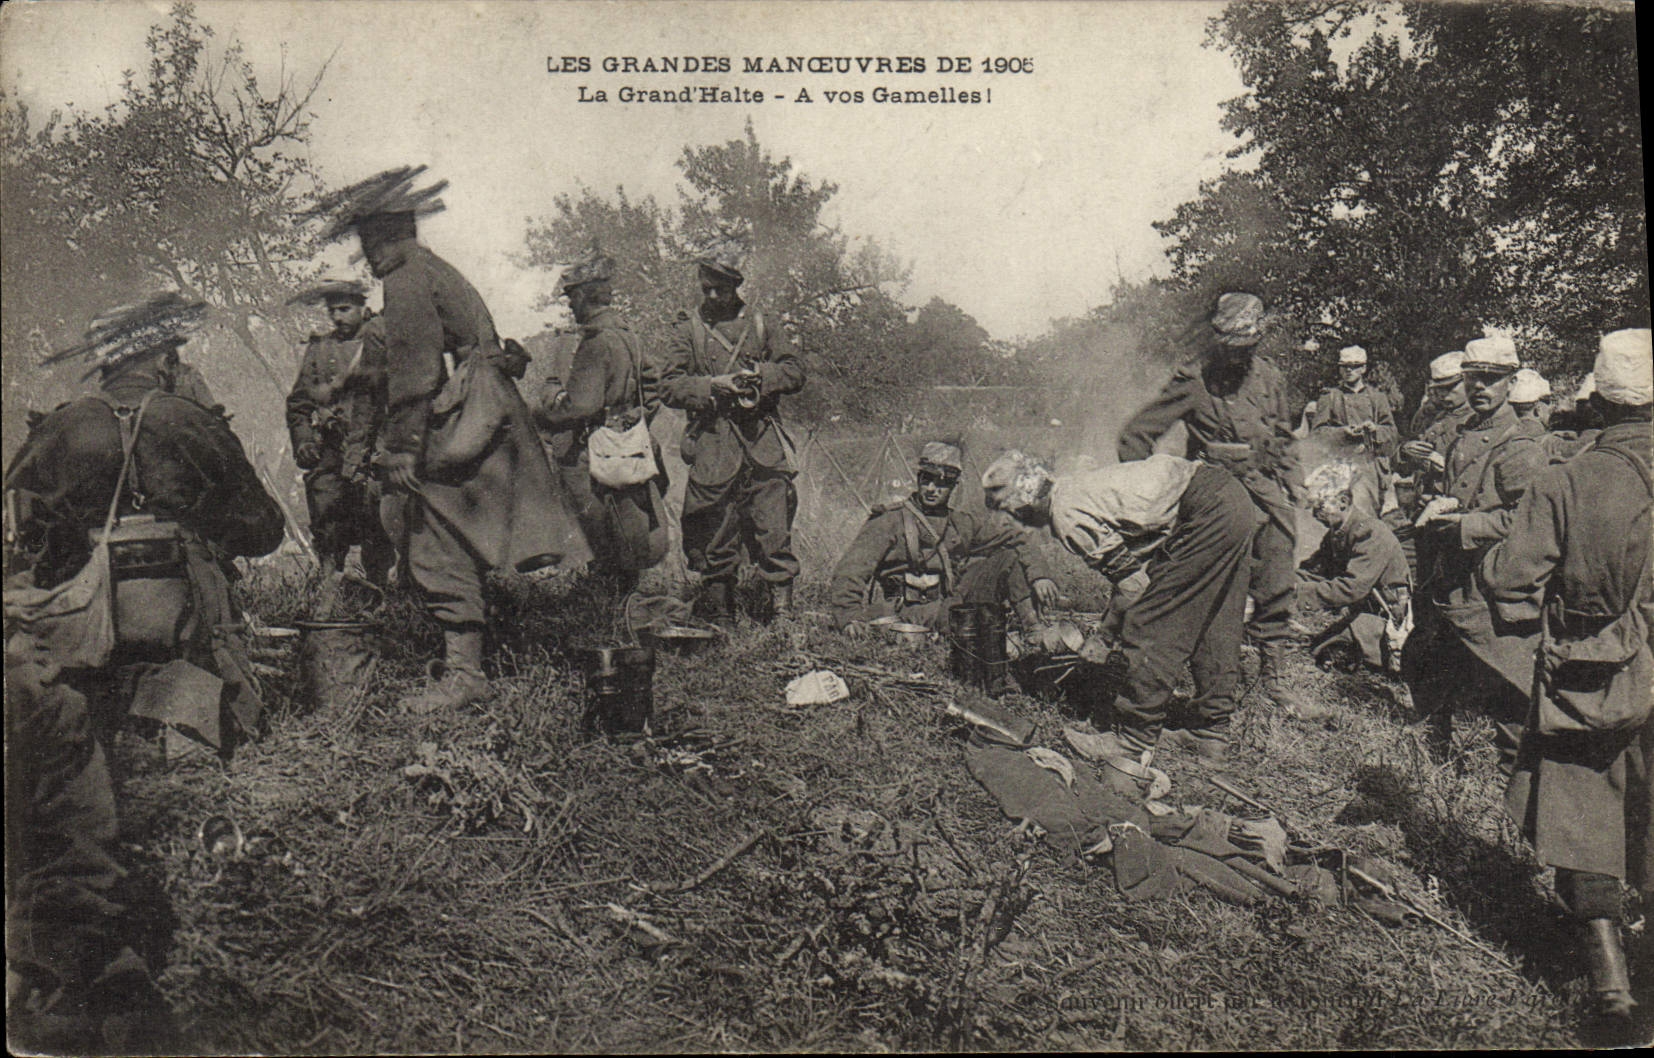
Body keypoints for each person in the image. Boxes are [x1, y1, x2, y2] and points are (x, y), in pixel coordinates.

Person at [5, 293, 285, 1051]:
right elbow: (262, 530)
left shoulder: (65, 424)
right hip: (180, 624)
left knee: (79, 770)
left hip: (88, 626)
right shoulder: (185, 421)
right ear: (160, 357)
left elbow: (26, 521)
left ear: (105, 361)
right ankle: (207, 859)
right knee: (196, 733)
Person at [308, 166, 590, 714]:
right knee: (452, 530)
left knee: (429, 531)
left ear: (386, 234)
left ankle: (465, 674)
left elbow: (415, 371)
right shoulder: (433, 269)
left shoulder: (406, 278)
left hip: (463, 418)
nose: (365, 255)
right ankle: (474, 653)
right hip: (482, 409)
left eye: (368, 240)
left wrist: (403, 450)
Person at [1482, 328, 1652, 1022]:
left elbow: (1511, 581)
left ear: (1600, 404)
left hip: (1595, 671)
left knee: (1584, 807)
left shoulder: (1566, 478)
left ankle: (1609, 977)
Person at [983, 449, 1260, 763]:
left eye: (1008, 509)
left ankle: (1133, 738)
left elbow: (1134, 590)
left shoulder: (1066, 515)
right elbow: (1137, 573)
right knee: (1214, 619)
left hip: (1206, 510)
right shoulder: (1075, 488)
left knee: (1150, 621)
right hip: (1231, 498)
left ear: (1024, 500)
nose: (1016, 520)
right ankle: (1211, 732)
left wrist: (1103, 637)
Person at [1117, 291, 1307, 717]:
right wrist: (1152, 493)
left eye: (1249, 346)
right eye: (1232, 348)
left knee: (1277, 576)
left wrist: (1295, 482)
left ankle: (1271, 679)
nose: (1240, 356)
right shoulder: (1192, 379)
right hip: (1216, 496)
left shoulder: (1270, 377)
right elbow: (1136, 435)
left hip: (1265, 490)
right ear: (1217, 341)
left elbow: (1280, 435)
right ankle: (1211, 688)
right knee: (1222, 595)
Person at [1406, 334, 1548, 773]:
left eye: (1491, 379)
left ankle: (1511, 788)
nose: (1480, 388)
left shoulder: (1520, 443)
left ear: (1511, 382)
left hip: (1492, 584)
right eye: (1473, 379)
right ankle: (1438, 756)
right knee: (1424, 659)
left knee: (1506, 683)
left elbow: (1529, 521)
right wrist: (1448, 503)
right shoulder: (1466, 431)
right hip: (1451, 575)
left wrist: (1467, 523)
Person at [656, 238, 806, 622]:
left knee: (774, 530)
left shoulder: (762, 323)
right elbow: (668, 385)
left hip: (762, 445)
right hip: (713, 444)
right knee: (714, 534)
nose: (711, 294)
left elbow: (794, 370)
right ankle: (720, 617)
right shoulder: (688, 328)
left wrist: (762, 376)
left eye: (720, 287)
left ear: (736, 284)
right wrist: (713, 386)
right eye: (705, 286)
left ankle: (784, 620)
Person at [534, 249, 665, 595]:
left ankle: (606, 603)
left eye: (572, 297)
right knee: (626, 522)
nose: (570, 306)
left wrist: (543, 411)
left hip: (593, 452)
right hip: (624, 445)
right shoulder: (627, 335)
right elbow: (654, 385)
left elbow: (582, 405)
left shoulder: (595, 343)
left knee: (600, 531)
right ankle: (620, 594)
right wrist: (636, 418)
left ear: (584, 296)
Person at [828, 441, 1060, 636]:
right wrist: (849, 618)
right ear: (918, 479)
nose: (932, 489)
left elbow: (1017, 538)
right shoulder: (890, 521)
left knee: (1008, 557)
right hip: (905, 611)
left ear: (953, 487)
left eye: (942, 483)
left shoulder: (960, 522)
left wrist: (1040, 576)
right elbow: (851, 571)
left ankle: (1034, 631)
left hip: (949, 602)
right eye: (927, 479)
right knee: (971, 624)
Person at [284, 277, 396, 585]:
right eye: (332, 311)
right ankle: (329, 588)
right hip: (333, 451)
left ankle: (380, 591)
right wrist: (304, 439)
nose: (337, 317)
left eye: (345, 309)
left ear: (363, 308)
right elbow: (298, 404)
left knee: (378, 522)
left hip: (376, 450)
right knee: (327, 515)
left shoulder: (383, 343)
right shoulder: (320, 349)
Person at [1296, 461, 1411, 676]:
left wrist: (1298, 593)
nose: (1314, 514)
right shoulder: (1338, 533)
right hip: (1364, 612)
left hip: (1388, 621)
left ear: (1343, 501)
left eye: (1320, 506)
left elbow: (1351, 588)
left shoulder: (1370, 533)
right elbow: (1314, 571)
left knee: (1319, 649)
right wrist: (1282, 583)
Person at [1306, 345, 1399, 514]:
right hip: (1340, 467)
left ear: (1363, 368)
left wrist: (1375, 429)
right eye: (1344, 366)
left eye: (1354, 366)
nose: (1349, 370)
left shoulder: (1377, 397)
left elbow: (1392, 433)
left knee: (1367, 516)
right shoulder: (1330, 397)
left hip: (1370, 466)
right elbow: (1317, 435)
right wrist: (1342, 433)